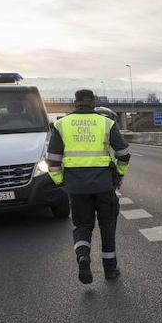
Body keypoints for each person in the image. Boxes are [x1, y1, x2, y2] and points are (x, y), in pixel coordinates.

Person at [47, 89, 131, 284]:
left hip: (76, 188)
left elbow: (52, 160)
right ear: (93, 102)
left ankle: (83, 256)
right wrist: (119, 173)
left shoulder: (61, 125)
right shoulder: (106, 123)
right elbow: (124, 153)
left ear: (75, 103)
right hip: (104, 186)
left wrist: (61, 182)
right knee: (107, 226)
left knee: (82, 226)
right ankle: (110, 269)